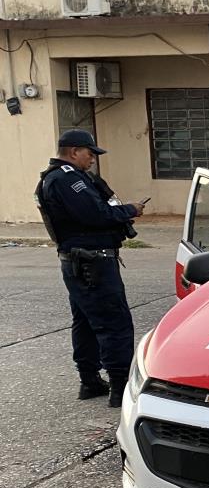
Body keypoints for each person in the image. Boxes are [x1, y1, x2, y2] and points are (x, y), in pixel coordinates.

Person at [35, 130, 146, 407]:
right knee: (114, 323)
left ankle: (90, 380)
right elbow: (95, 214)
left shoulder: (58, 177)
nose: (93, 159)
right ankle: (120, 388)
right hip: (92, 262)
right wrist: (130, 210)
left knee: (85, 321)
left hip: (81, 261)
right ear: (74, 151)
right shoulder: (67, 179)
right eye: (90, 153)